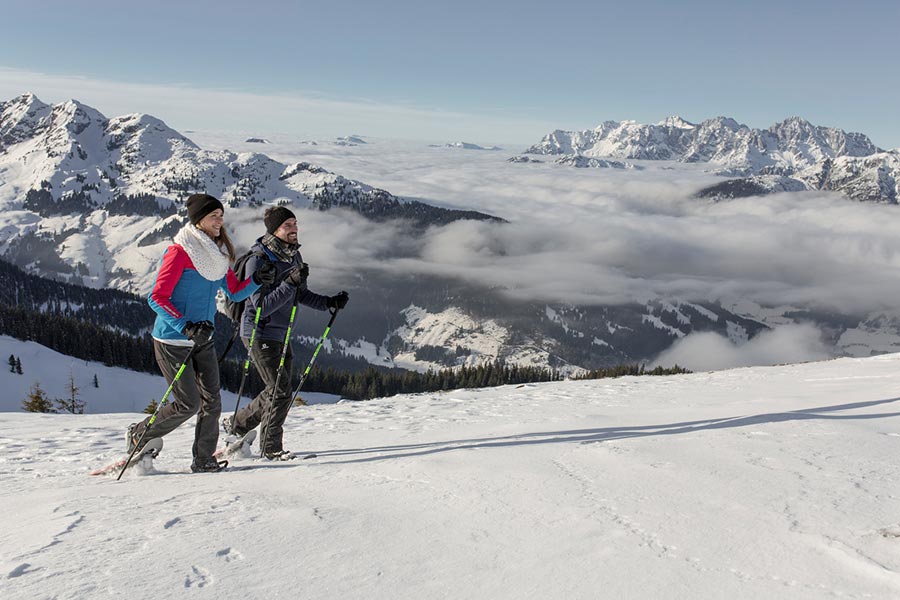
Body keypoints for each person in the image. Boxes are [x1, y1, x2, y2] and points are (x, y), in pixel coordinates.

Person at [132, 193, 277, 472]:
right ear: (198, 220)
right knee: (188, 404)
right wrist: (185, 325)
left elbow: (233, 292)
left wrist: (257, 281)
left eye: (221, 216)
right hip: (172, 340)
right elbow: (156, 297)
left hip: (203, 339)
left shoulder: (216, 257)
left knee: (213, 402)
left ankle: (204, 459)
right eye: (214, 216)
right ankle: (139, 434)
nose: (220, 221)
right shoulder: (179, 252)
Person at [224, 206, 349, 460]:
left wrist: (328, 303)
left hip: (281, 332)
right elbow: (261, 306)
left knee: (277, 389)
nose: (294, 229)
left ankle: (236, 425)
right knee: (280, 389)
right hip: (259, 332)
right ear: (274, 230)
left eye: (295, 223)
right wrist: (288, 282)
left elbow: (299, 294)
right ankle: (271, 448)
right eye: (287, 225)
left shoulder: (293, 256)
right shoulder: (258, 260)